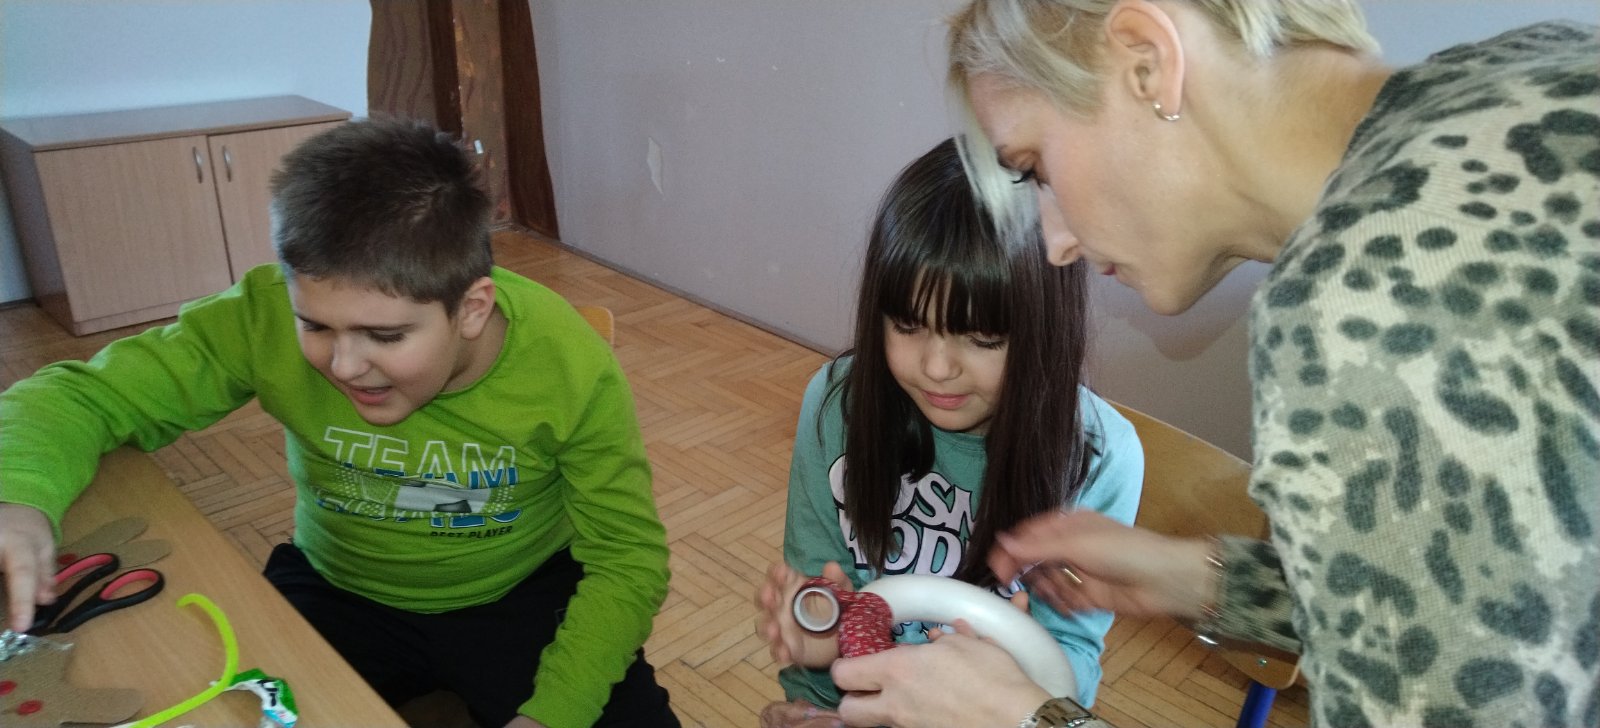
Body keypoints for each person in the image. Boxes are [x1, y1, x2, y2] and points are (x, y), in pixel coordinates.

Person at [828, 1, 1600, 727]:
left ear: (1147, 63)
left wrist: (1029, 718)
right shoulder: (1525, 73)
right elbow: (1479, 606)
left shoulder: (1368, 300)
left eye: (1036, 169)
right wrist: (1214, 582)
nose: (1056, 242)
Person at [0, 118, 679, 728]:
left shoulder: (567, 364)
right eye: (315, 325)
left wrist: (553, 716)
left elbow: (628, 558)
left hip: (519, 598)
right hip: (338, 591)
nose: (344, 365)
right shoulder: (262, 314)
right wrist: (19, 498)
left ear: (472, 308)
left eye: (385, 335)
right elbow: (81, 396)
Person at [755, 137, 1144, 726]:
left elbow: (1070, 661)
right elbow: (825, 588)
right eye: (907, 325)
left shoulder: (1099, 457)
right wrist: (816, 638)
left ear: (1044, 330)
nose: (937, 368)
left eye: (982, 338)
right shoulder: (839, 404)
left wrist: (1015, 674)